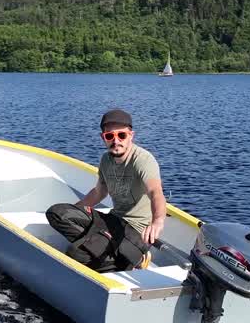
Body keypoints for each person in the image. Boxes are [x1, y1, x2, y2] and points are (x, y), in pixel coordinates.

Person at [46, 109, 167, 272]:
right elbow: (99, 193)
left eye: (121, 135)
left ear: (131, 135)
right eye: (109, 136)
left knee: (76, 255)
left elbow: (155, 192)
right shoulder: (106, 159)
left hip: (133, 232)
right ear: (103, 137)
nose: (116, 141)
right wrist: (75, 210)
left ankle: (134, 257)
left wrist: (158, 221)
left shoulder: (143, 160)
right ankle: (112, 251)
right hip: (112, 221)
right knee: (57, 213)